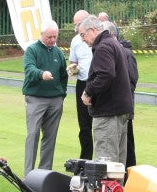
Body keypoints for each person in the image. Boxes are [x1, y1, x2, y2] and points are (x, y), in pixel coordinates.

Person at [79, 16, 133, 164]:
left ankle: (111, 188)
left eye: (83, 35)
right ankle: (118, 188)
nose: (82, 39)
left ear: (93, 30)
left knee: (106, 164)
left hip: (108, 113)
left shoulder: (103, 47)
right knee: (117, 165)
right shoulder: (114, 44)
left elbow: (105, 75)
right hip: (120, 110)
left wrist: (87, 92)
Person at [22, 20, 68, 177]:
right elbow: (29, 69)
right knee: (33, 134)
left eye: (55, 36)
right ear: (41, 35)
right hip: (35, 98)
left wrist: (62, 94)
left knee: (50, 137)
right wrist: (41, 74)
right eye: (49, 36)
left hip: (55, 99)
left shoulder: (58, 53)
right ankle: (28, 174)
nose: (52, 40)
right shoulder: (32, 50)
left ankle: (43, 174)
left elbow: (63, 75)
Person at [103, 20, 139, 168]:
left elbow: (132, 80)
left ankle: (130, 175)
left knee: (127, 143)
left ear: (111, 34)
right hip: (116, 106)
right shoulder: (109, 50)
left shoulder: (126, 53)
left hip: (123, 106)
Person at [69, 10, 94, 159]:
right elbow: (73, 61)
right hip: (82, 82)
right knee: (84, 126)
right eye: (75, 25)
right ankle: (86, 159)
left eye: (78, 24)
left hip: (97, 83)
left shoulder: (96, 37)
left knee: (100, 124)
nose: (77, 28)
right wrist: (73, 68)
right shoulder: (75, 40)